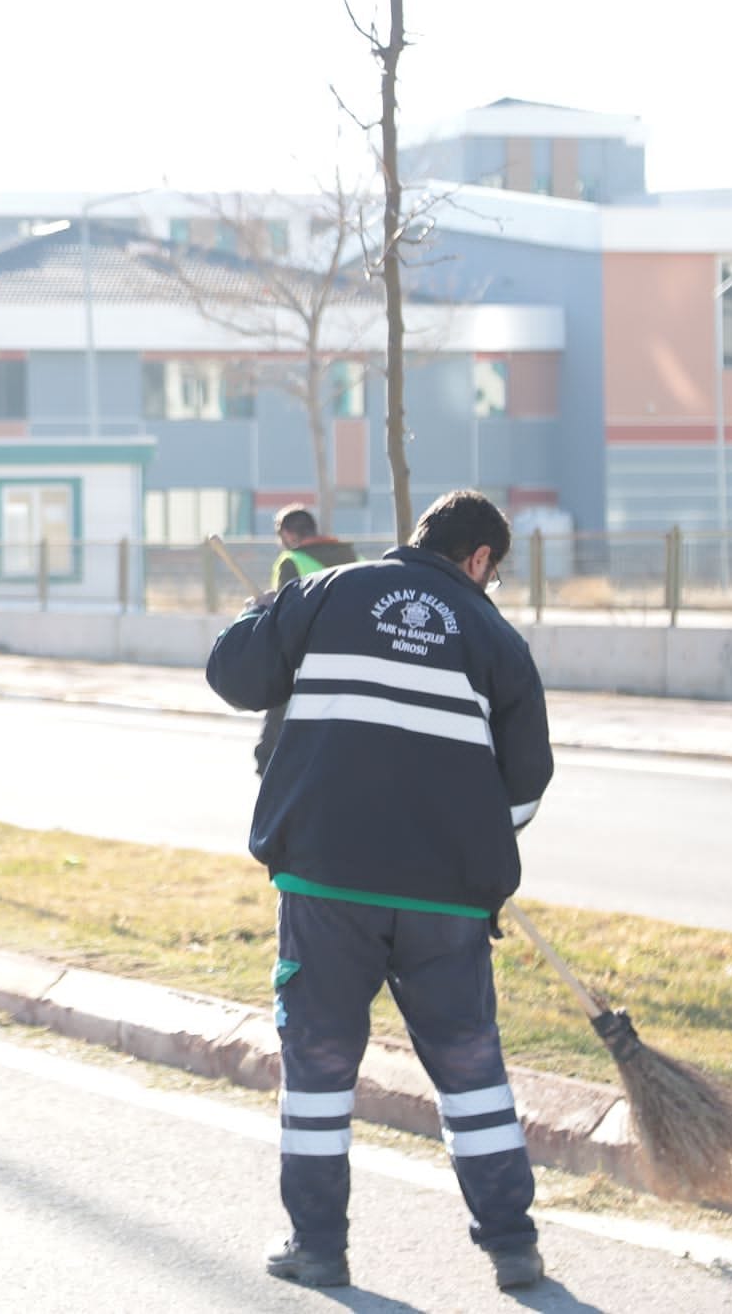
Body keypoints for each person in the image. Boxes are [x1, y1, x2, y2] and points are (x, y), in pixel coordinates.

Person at [205, 490, 554, 1293]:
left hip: (327, 884)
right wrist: (464, 843)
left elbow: (233, 674)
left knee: (320, 1070)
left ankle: (318, 1247)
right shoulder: (498, 640)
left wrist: (267, 618)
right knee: (472, 1071)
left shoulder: (329, 591)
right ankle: (511, 1246)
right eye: (493, 571)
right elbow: (527, 785)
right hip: (447, 902)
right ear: (477, 561)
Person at [254, 506, 359, 776]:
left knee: (278, 723)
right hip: (355, 657)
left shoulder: (292, 561)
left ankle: (269, 771)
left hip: (307, 658)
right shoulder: (356, 557)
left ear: (288, 534)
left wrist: (264, 607)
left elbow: (286, 616)